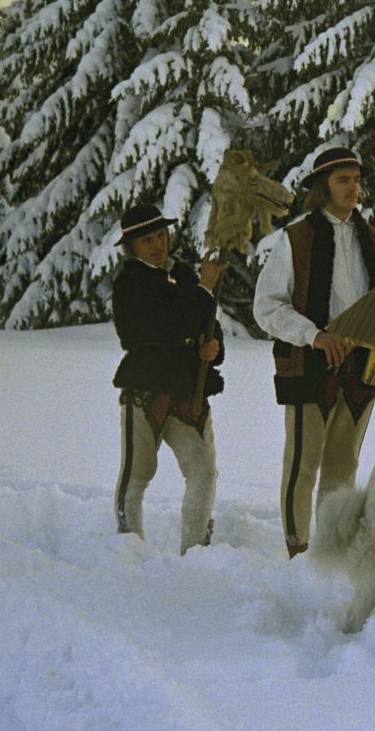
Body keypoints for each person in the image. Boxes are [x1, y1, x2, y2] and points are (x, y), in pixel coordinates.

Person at [254, 147, 375, 558]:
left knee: (343, 468)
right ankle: (298, 554)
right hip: (309, 364)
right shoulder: (296, 238)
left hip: (360, 369)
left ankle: (332, 554)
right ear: (322, 187)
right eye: (342, 180)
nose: (353, 188)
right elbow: (267, 306)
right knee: (302, 466)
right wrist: (314, 336)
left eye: (356, 179)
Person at [111, 204, 225, 555]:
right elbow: (167, 326)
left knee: (203, 472)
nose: (158, 245)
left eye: (161, 235)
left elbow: (208, 325)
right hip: (146, 390)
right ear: (131, 247)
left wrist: (213, 348)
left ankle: (195, 552)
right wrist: (205, 287)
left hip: (188, 390)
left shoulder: (186, 276)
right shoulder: (129, 284)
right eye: (147, 240)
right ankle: (128, 549)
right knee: (137, 477)